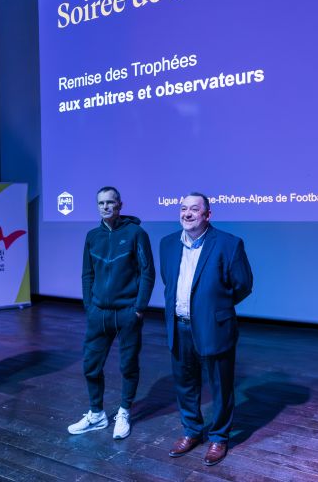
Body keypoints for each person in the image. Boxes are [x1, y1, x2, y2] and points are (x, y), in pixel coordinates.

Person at [160, 192, 253, 466]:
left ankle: (219, 437)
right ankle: (191, 431)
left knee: (221, 386)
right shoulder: (167, 244)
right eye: (183, 209)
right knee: (185, 383)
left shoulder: (228, 243)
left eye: (194, 209)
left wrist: (215, 307)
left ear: (207, 215)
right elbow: (169, 281)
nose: (187, 214)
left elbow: (243, 285)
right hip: (179, 326)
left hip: (214, 327)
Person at [68, 187, 155, 439]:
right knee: (90, 365)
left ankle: (124, 412)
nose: (105, 207)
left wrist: (139, 308)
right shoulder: (92, 236)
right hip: (98, 314)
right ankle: (96, 414)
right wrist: (89, 307)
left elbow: (147, 272)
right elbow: (87, 274)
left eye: (110, 202)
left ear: (120, 205)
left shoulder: (136, 233)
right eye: (101, 203)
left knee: (128, 365)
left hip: (127, 312)